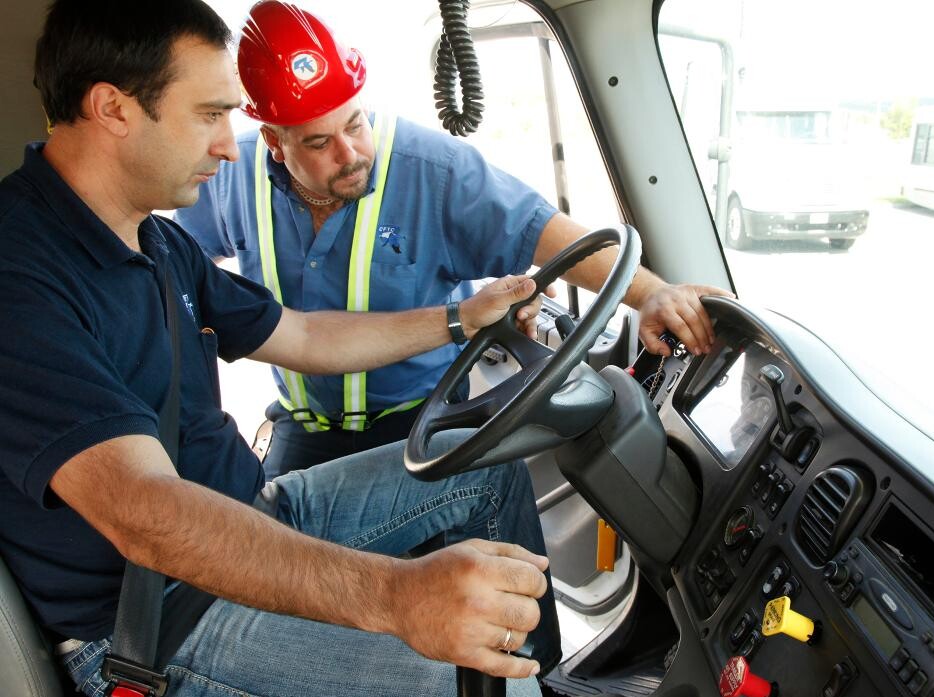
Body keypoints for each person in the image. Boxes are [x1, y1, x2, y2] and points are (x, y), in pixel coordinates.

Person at [0, 1, 560, 697]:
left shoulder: (154, 238)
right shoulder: (19, 272)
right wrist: (395, 596)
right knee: (475, 683)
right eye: (209, 115)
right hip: (151, 618)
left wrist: (462, 318)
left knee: (484, 468)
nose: (229, 147)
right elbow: (143, 511)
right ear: (112, 107)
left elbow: (301, 333)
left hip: (249, 512)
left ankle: (539, 672)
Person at [175, 0, 732, 478]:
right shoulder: (229, 177)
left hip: (422, 420)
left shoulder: (434, 171)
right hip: (303, 427)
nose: (350, 155)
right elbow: (180, 268)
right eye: (319, 143)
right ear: (273, 141)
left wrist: (651, 294)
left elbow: (547, 235)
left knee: (495, 523)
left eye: (354, 124)